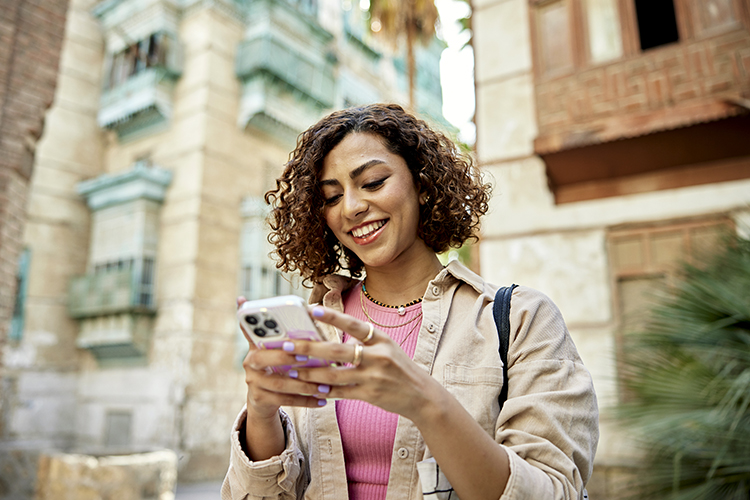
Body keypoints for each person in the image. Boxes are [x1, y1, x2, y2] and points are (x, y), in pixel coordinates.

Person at [222, 103, 598, 500]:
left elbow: (556, 491)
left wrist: (425, 401)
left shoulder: (520, 320)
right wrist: (261, 414)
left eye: (372, 183)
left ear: (421, 184)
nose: (351, 207)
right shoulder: (315, 328)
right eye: (332, 198)